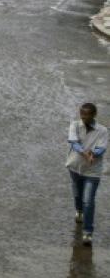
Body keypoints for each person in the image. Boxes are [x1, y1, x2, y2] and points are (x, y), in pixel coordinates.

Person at [69, 103, 109, 245]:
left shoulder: (103, 130)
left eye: (87, 115)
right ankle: (79, 211)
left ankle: (87, 232)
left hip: (93, 170)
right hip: (75, 167)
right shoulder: (74, 125)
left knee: (88, 200)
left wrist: (94, 153)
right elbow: (73, 143)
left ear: (94, 115)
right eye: (82, 114)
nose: (84, 117)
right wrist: (85, 153)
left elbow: (102, 148)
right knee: (77, 194)